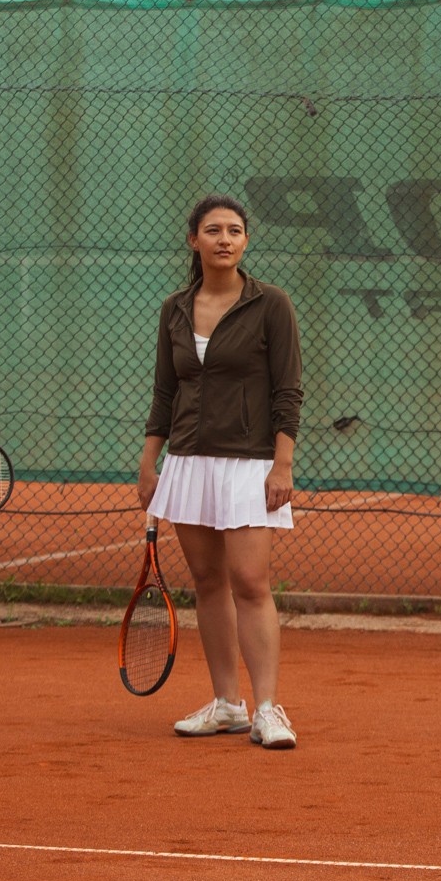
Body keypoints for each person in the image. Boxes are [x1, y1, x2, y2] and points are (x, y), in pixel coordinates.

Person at [140, 195, 304, 748]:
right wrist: (150, 463)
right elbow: (165, 392)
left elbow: (288, 391)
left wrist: (282, 465)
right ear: (194, 241)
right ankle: (228, 705)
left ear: (246, 241)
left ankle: (267, 709)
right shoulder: (175, 309)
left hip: (250, 463)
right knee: (208, 583)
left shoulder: (271, 304)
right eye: (213, 230)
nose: (225, 239)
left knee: (250, 582)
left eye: (235, 230)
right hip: (188, 460)